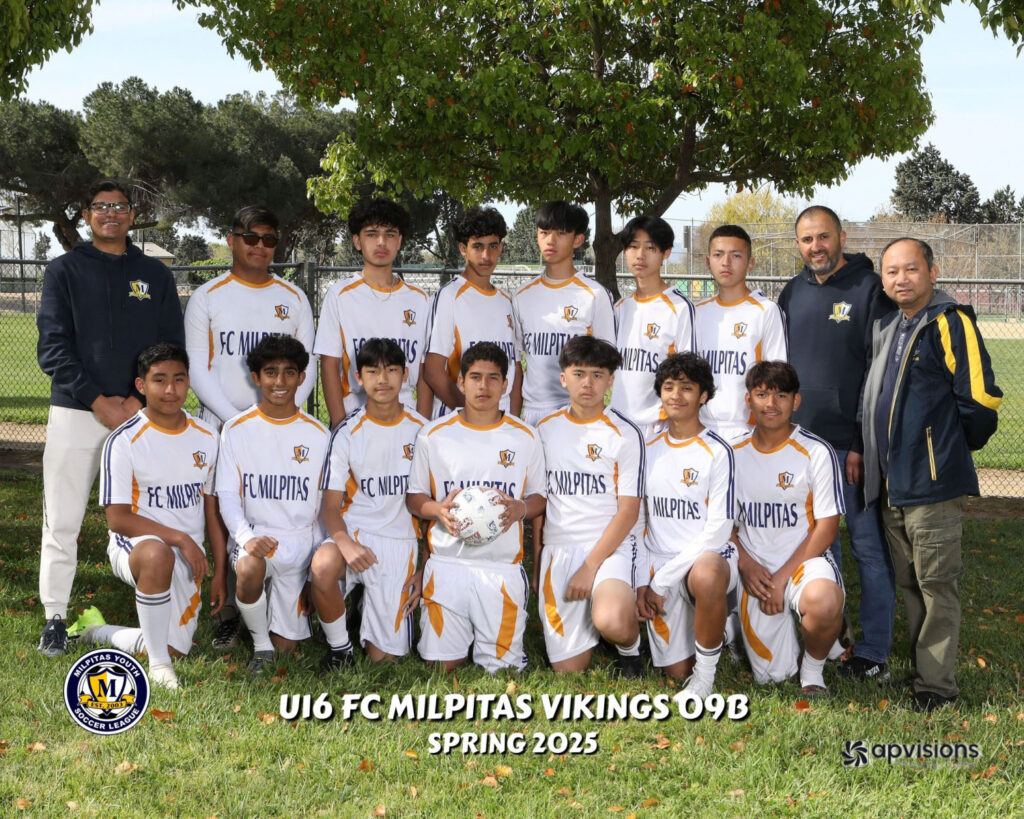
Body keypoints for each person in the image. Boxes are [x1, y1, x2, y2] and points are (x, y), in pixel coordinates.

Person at [36, 179, 185, 656]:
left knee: (152, 514)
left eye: (120, 206)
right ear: (86, 215)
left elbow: (170, 348)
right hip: (77, 411)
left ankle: (166, 611)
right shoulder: (64, 270)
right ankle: (55, 617)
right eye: (101, 206)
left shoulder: (154, 275)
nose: (111, 214)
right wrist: (98, 400)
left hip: (140, 416)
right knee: (62, 518)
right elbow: (53, 347)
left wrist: (137, 402)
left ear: (133, 215)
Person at [861, 238, 1001, 712]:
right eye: (892, 271)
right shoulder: (891, 326)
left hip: (930, 484)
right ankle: (924, 671)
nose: (901, 279)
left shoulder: (950, 322)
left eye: (911, 269)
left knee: (937, 586)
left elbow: (980, 399)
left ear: (932, 272)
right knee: (911, 582)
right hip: (893, 484)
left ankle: (937, 688)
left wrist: (945, 450)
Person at [184, 205, 316, 650]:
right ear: (232, 240)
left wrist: (281, 414)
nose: (260, 246)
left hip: (281, 424)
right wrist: (233, 420)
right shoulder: (208, 296)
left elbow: (307, 367)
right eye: (251, 237)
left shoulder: (294, 298)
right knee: (222, 509)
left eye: (269, 239)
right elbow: (197, 367)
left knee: (276, 502)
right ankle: (227, 611)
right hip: (222, 422)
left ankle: (285, 600)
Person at [777, 205, 896, 681]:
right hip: (802, 449)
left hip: (850, 449)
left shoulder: (870, 289)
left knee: (867, 547)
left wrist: (860, 443)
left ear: (842, 237)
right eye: (807, 239)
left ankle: (874, 650)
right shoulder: (792, 291)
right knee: (819, 548)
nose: (816, 247)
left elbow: (877, 372)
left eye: (823, 237)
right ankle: (832, 638)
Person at [69, 343, 222, 690]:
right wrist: (179, 537)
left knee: (175, 646)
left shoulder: (207, 437)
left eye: (179, 380)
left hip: (188, 552)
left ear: (188, 382)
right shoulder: (124, 440)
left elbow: (211, 508)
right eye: (159, 380)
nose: (170, 390)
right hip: (137, 544)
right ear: (141, 385)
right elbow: (118, 519)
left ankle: (96, 631)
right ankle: (158, 667)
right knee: (157, 553)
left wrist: (220, 571)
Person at [407, 343, 546, 673]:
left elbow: (540, 498)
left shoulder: (525, 436)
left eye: (493, 378)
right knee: (440, 667)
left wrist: (520, 509)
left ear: (505, 384)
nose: (484, 386)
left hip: (500, 568)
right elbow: (415, 498)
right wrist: (437, 510)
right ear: (461, 382)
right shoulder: (433, 435)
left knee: (501, 671)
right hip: (447, 564)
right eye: (475, 377)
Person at [214, 335, 329, 673]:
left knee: (288, 646)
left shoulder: (319, 435)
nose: (280, 382)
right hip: (255, 535)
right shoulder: (235, 429)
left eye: (289, 372)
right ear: (256, 377)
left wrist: (314, 568)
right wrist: (246, 538)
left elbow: (324, 506)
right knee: (250, 566)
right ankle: (260, 646)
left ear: (301, 378)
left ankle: (267, 620)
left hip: (299, 542)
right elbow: (227, 497)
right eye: (270, 372)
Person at [312, 338, 427, 671]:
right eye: (373, 371)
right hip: (357, 533)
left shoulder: (424, 431)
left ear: (405, 375)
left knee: (385, 660)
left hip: (399, 541)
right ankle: (340, 649)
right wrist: (346, 544)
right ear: (358, 378)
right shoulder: (348, 431)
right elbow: (330, 507)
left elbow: (432, 509)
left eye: (391, 370)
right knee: (323, 565)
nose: (383, 379)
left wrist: (426, 566)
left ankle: (365, 604)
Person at [732, 361, 846, 694]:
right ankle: (815, 638)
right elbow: (720, 525)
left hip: (802, 564)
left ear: (796, 401)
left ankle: (813, 667)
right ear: (748, 400)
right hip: (755, 569)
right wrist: (747, 564)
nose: (771, 404)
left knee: (822, 601)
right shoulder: (731, 454)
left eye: (781, 395)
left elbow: (827, 527)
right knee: (774, 677)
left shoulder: (816, 451)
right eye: (762, 394)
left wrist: (782, 579)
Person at [536, 336, 644, 676]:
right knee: (568, 670)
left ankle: (630, 649)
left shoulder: (625, 433)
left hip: (609, 547)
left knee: (612, 620)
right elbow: (541, 501)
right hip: (560, 547)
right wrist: (540, 559)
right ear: (563, 378)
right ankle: (596, 630)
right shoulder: (544, 429)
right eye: (579, 373)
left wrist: (590, 566)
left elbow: (629, 511)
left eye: (598, 375)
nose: (588, 383)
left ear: (611, 381)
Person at [637, 353, 737, 695]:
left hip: (705, 556)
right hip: (659, 558)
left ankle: (705, 679)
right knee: (676, 671)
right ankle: (725, 632)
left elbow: (719, 531)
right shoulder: (647, 447)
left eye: (686, 388)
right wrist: (643, 579)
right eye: (668, 387)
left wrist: (662, 580)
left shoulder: (718, 451)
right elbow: (638, 520)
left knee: (706, 576)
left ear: (703, 395)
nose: (676, 395)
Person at [314, 199, 428, 429]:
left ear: (399, 241)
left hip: (406, 417)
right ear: (357, 241)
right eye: (372, 234)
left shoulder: (420, 299)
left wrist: (424, 427)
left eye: (390, 234)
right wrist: (341, 427)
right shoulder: (340, 295)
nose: (381, 242)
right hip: (354, 416)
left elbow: (425, 370)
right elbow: (329, 366)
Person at [512, 201, 616, 426]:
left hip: (578, 412)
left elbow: (607, 363)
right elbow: (516, 363)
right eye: (544, 232)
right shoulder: (522, 295)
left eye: (560, 233)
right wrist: (513, 420)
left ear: (577, 240)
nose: (550, 240)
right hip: (534, 413)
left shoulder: (595, 295)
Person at [419, 207, 521, 419]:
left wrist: (511, 420)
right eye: (478, 246)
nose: (486, 255)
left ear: (501, 247)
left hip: (500, 421)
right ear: (463, 248)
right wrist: (472, 415)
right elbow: (433, 370)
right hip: (460, 420)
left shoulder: (506, 301)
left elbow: (515, 367)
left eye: (493, 246)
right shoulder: (449, 296)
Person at [695, 225, 787, 441]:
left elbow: (777, 377)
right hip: (700, 429)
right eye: (718, 255)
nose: (726, 262)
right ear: (708, 261)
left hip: (747, 431)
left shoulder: (766, 311)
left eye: (736, 255)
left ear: (750, 263)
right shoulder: (697, 312)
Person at [609, 215, 695, 437]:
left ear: (666, 252)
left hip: (658, 427)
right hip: (618, 425)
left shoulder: (680, 308)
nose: (640, 255)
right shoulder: (620, 308)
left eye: (650, 248)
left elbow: (689, 373)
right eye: (633, 247)